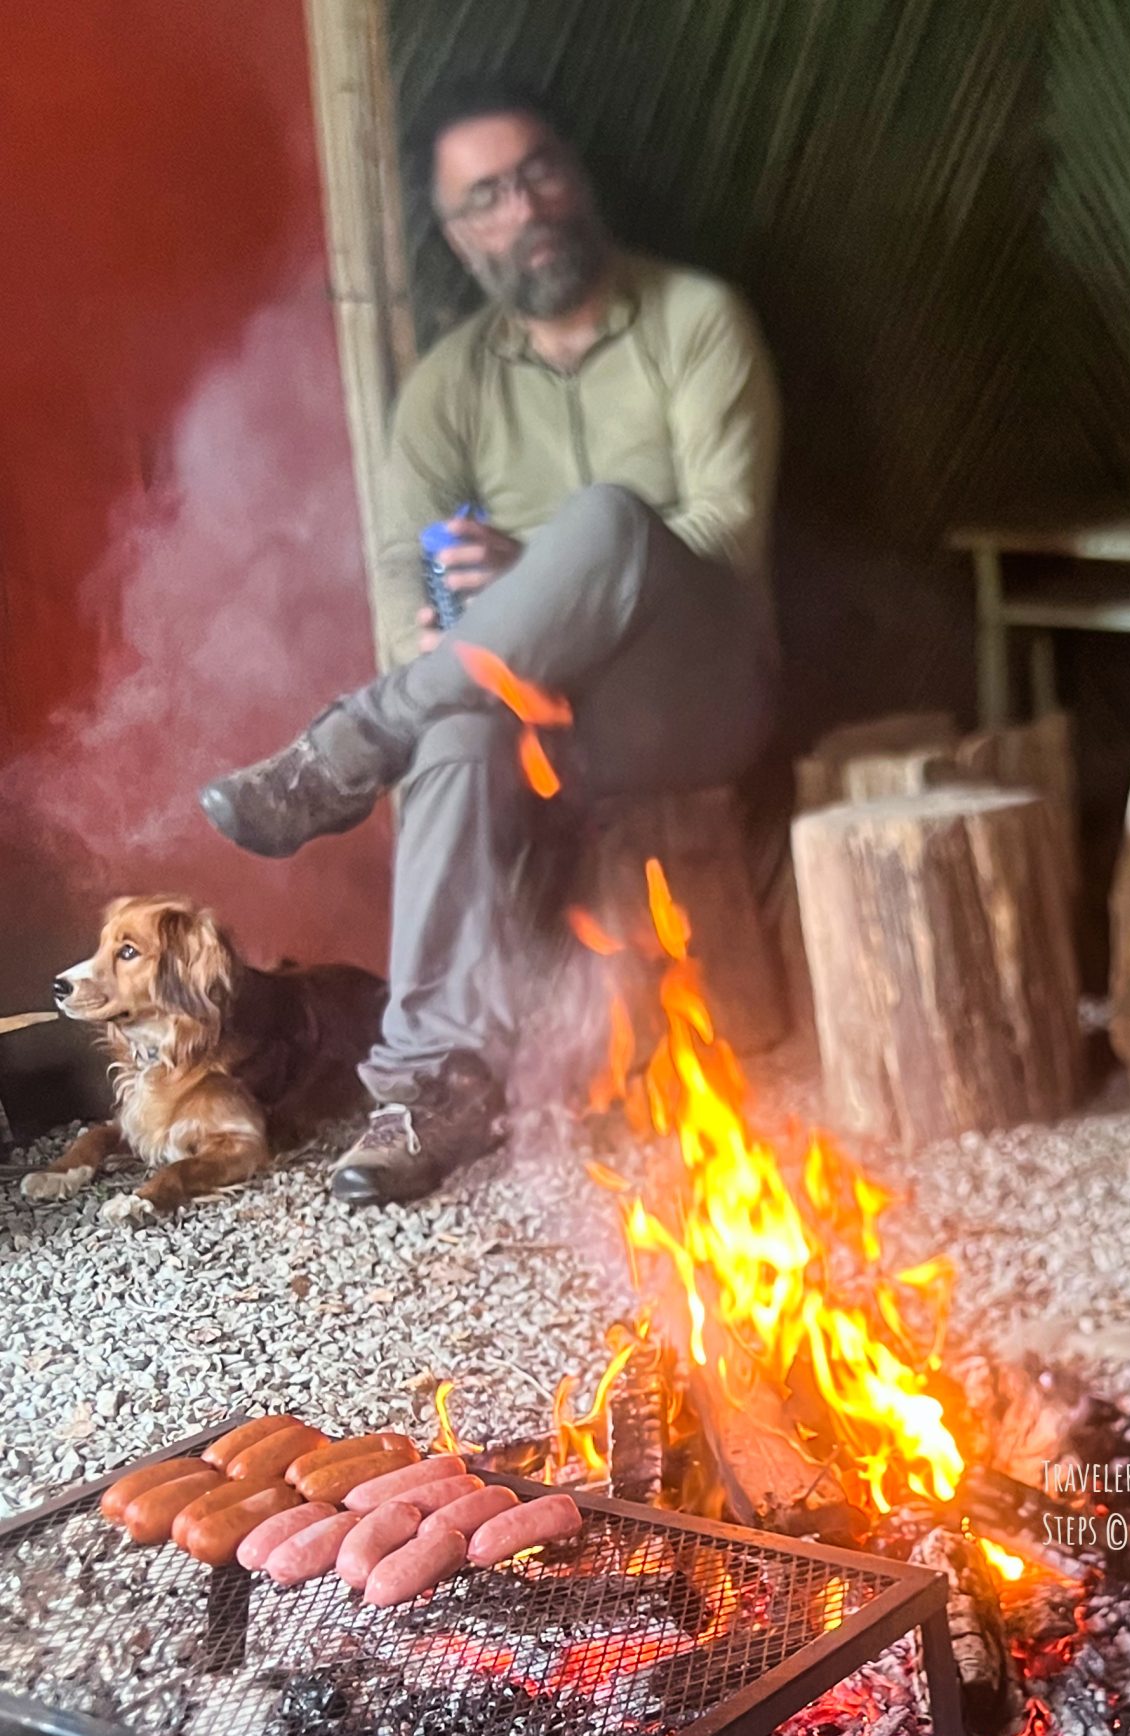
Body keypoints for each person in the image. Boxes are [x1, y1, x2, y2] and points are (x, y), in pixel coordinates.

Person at [198, 77, 781, 1205]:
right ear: (462, 238)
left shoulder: (695, 321)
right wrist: (436, 628)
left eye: (538, 174)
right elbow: (396, 571)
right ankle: (436, 1086)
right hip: (531, 725)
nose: (526, 208)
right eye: (488, 199)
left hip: (694, 690)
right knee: (457, 728)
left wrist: (533, 573)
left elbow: (727, 530)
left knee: (609, 519)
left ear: (577, 177)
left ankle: (347, 748)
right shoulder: (447, 389)